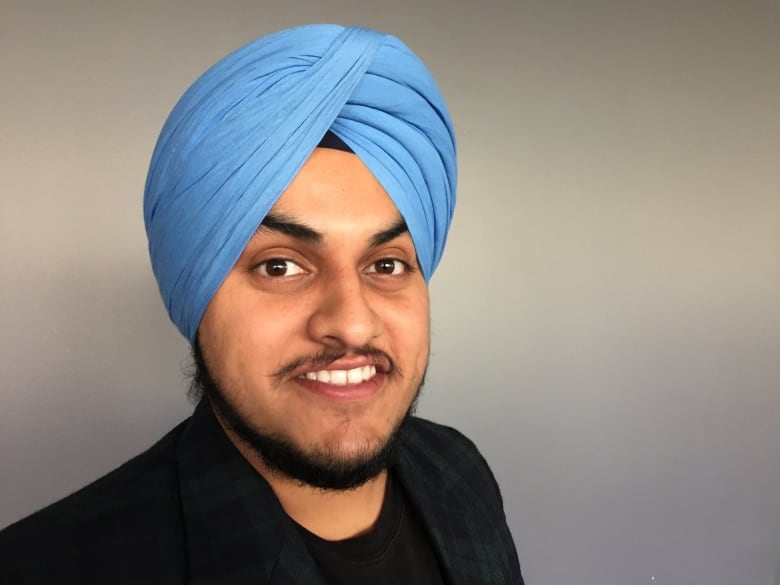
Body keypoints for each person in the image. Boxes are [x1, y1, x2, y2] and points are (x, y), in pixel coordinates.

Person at [0, 24, 523, 584]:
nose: (351, 323)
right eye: (279, 266)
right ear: (193, 293)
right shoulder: (46, 565)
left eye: (386, 265)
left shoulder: (458, 471)